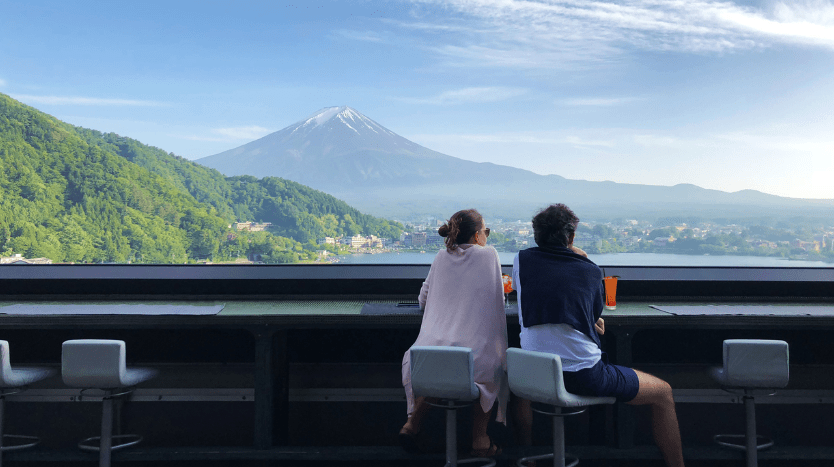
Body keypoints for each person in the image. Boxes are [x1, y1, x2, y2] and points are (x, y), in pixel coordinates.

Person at [512, 204, 685, 467]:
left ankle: (526, 456)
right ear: (570, 236)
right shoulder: (589, 270)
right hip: (582, 376)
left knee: (520, 387)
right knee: (663, 393)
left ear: (536, 234)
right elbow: (590, 313)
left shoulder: (520, 260)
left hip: (532, 372)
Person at [400, 209, 508, 457]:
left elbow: (423, 299)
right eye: (486, 232)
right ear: (478, 235)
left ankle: (411, 424)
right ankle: (480, 439)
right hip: (472, 360)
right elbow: (498, 298)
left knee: (440, 366)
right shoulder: (489, 255)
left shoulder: (440, 256)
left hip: (426, 355)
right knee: (490, 365)